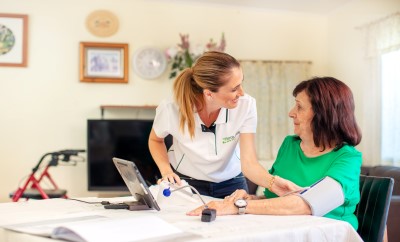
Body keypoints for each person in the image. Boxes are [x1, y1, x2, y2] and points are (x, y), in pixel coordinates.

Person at [187, 76, 363, 230]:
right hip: (285, 232)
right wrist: (251, 198)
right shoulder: (290, 145)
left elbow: (307, 204)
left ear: (324, 114)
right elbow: (272, 198)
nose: (291, 113)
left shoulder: (348, 158)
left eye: (299, 107)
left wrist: (240, 205)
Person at [149, 51, 300, 198]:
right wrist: (166, 171)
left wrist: (272, 183)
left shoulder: (246, 106)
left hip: (232, 184)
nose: (241, 93)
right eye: (234, 89)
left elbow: (249, 163)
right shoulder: (171, 109)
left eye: (241, 84)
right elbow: (156, 140)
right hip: (187, 183)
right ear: (209, 94)